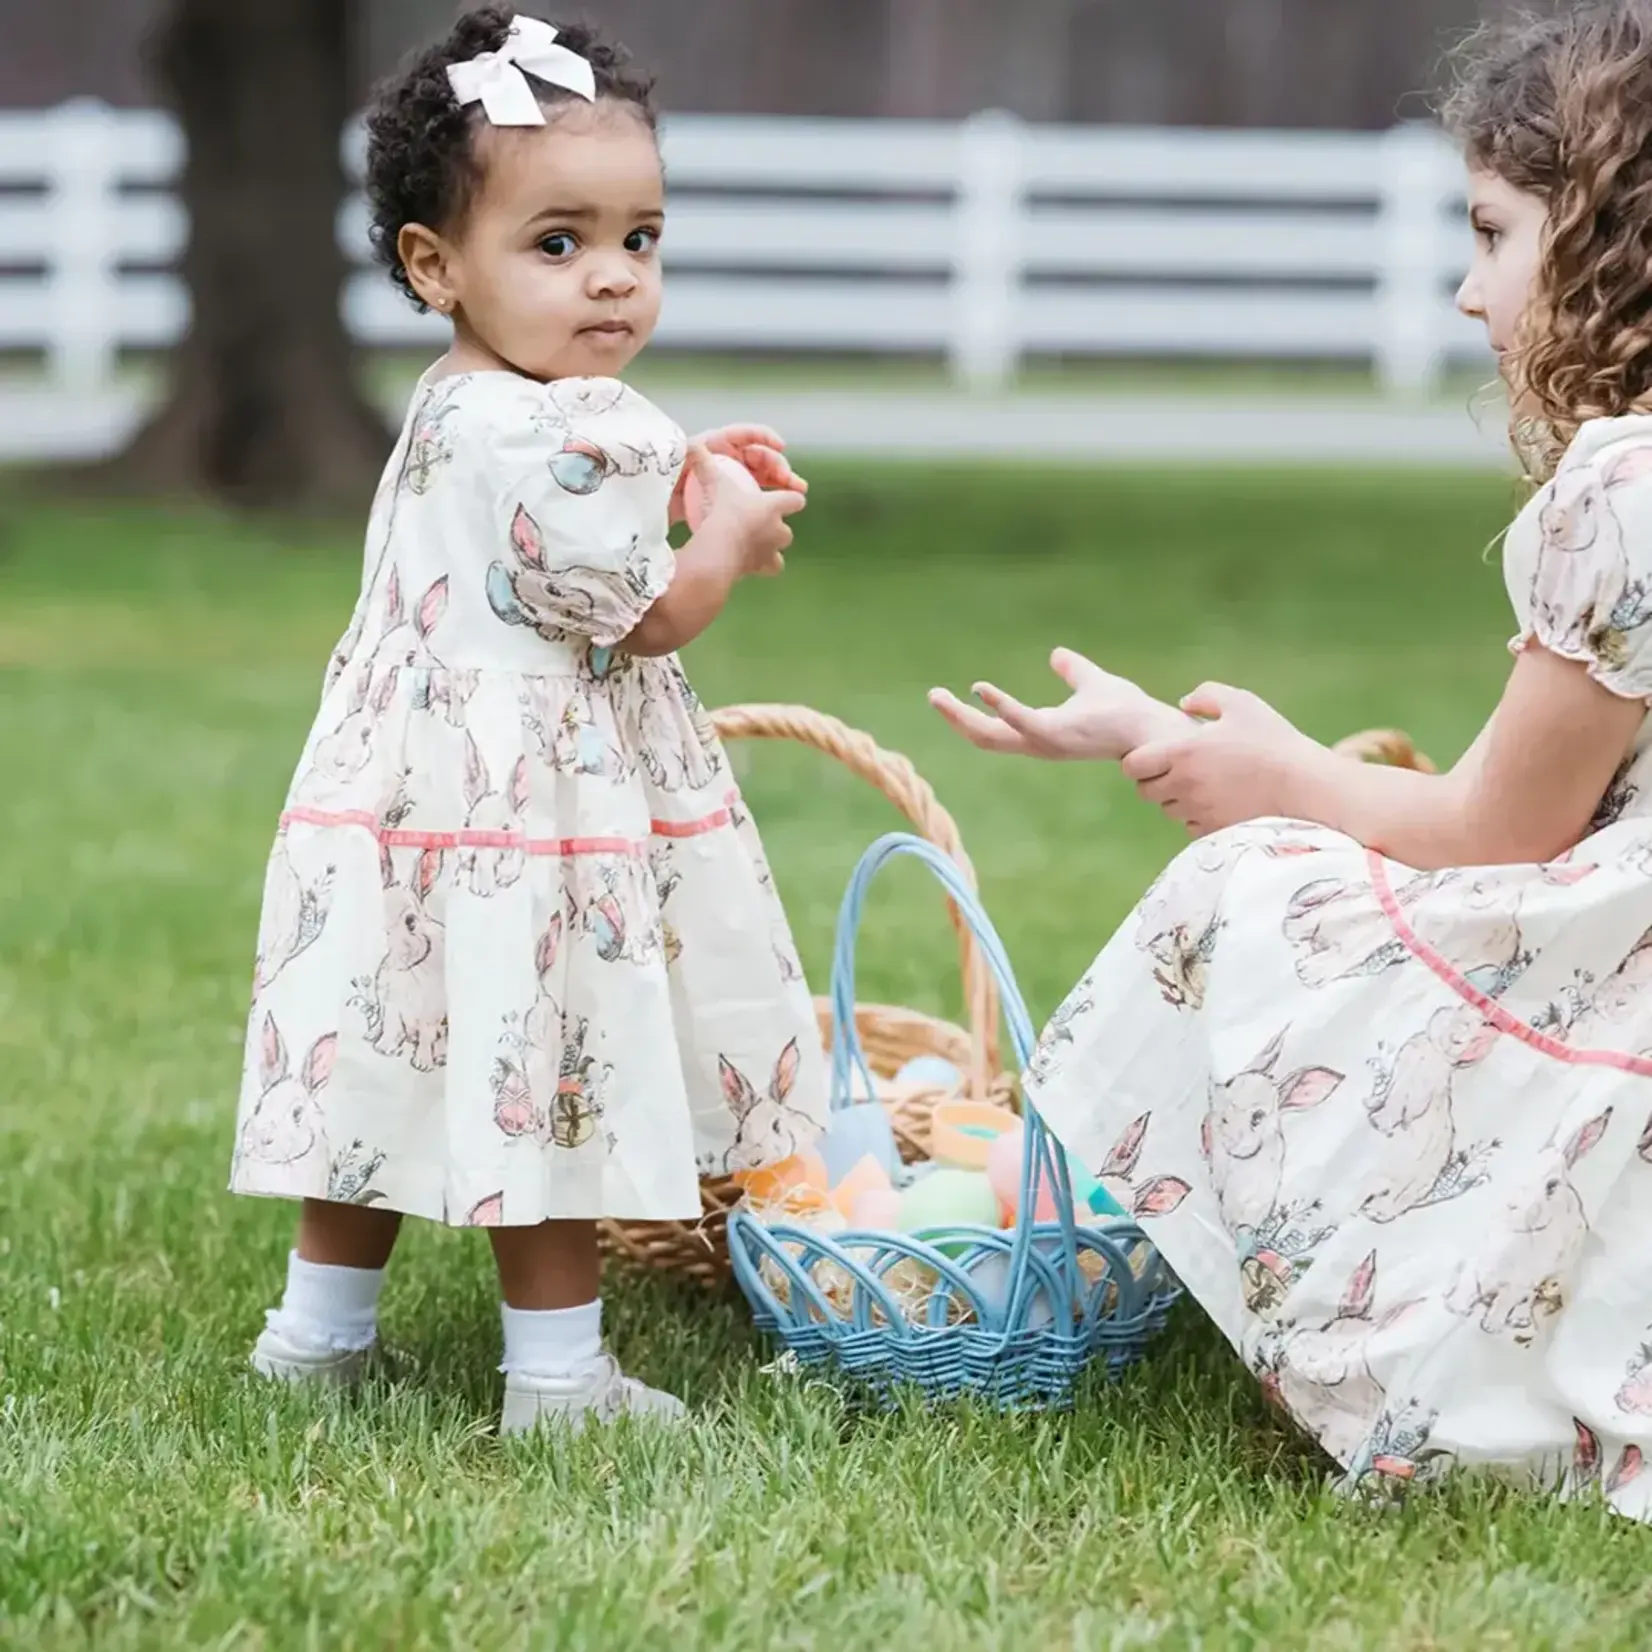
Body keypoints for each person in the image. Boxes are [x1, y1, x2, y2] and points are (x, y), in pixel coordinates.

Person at [932, 0, 1652, 1516]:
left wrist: (1271, 783)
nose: (1468, 292)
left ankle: (1036, 1241)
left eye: (1494, 233)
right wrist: (1194, 737)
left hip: (1614, 963)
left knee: (1251, 890)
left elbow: (1496, 831)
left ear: (1609, 237)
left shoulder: (1626, 490)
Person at [229, 7, 827, 1434]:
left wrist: (680, 466)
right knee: (545, 1067)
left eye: (641, 238)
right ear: (435, 266)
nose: (613, 279)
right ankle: (556, 1378)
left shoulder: (458, 402)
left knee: (389, 1049)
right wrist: (725, 538)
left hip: (411, 804)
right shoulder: (573, 428)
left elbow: (536, 523)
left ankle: (317, 1337)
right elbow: (645, 615)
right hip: (526, 815)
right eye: (558, 245)